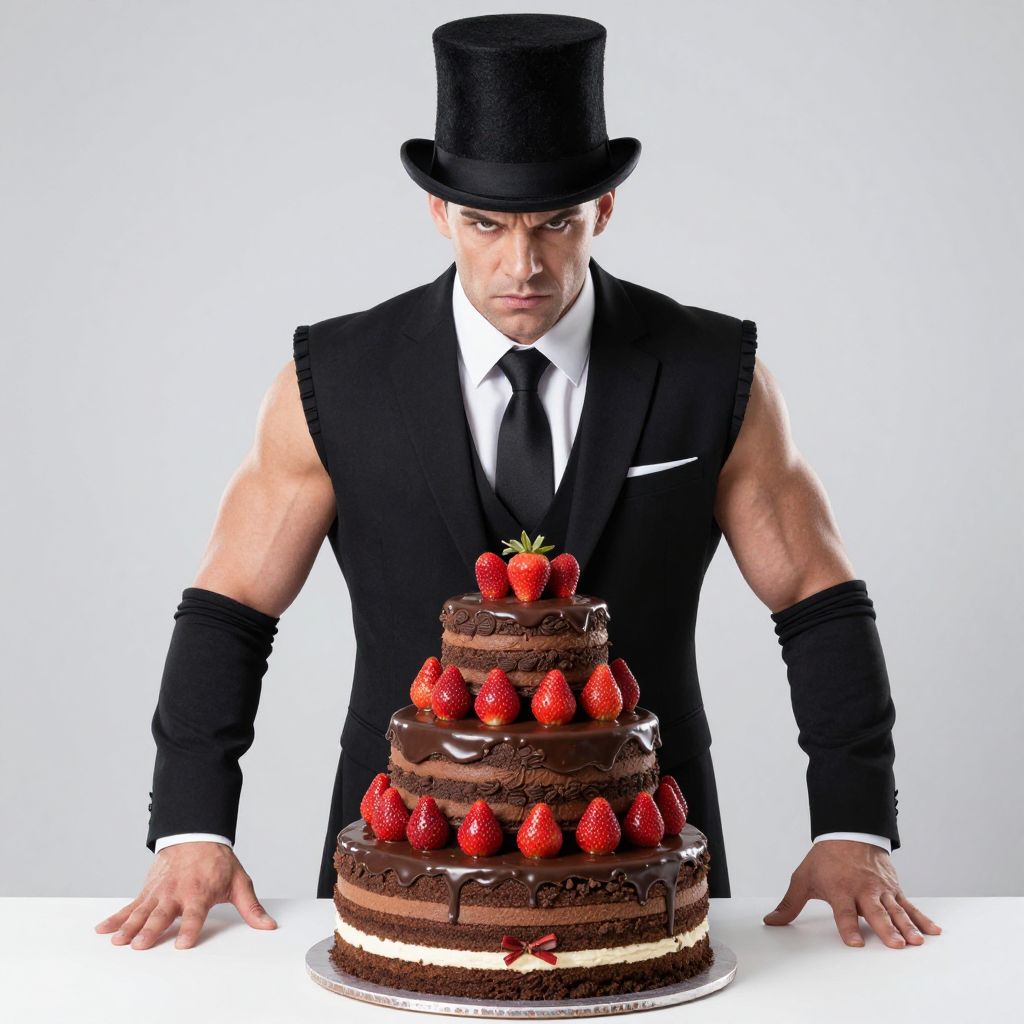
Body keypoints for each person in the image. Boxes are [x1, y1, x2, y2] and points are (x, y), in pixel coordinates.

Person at [95, 13, 941, 954]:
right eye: (486, 224)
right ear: (439, 213)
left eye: (555, 224)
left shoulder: (710, 372)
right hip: (401, 851)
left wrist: (854, 827)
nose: (522, 264)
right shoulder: (334, 377)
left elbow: (816, 597)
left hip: (643, 854)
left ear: (604, 209)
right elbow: (231, 605)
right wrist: (192, 828)